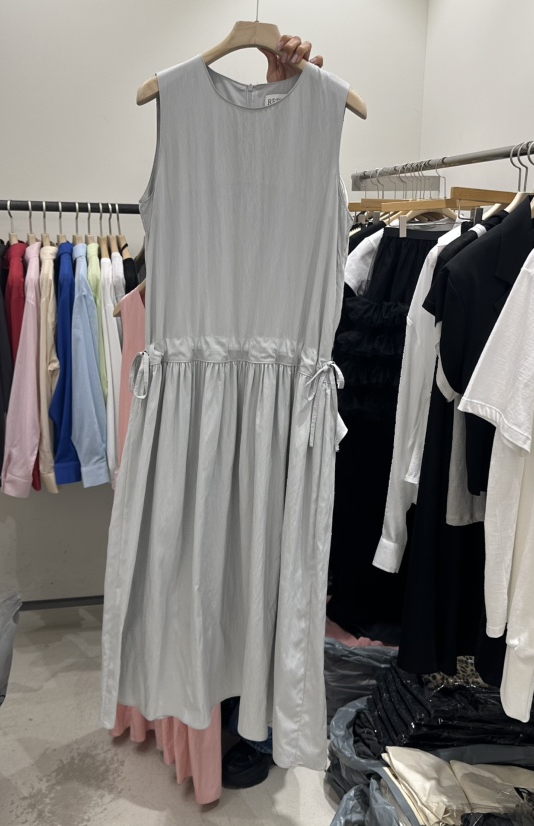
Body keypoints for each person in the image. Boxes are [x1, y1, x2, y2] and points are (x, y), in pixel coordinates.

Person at [220, 33, 325, 792]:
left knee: (266, 562)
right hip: (214, 379)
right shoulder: (186, 109)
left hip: (282, 390)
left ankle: (252, 717)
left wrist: (295, 97)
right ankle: (220, 709)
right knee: (220, 558)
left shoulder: (319, 117)